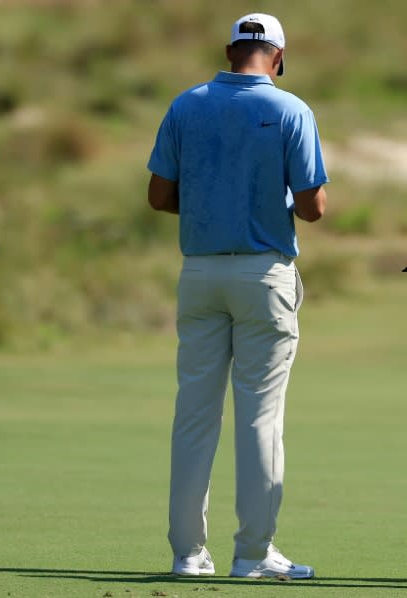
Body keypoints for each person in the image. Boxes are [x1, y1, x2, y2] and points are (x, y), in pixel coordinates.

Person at [146, 13, 328, 579]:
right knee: (260, 418)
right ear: (277, 56)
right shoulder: (290, 109)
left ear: (230, 50)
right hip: (264, 275)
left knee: (194, 414)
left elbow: (158, 195)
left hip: (199, 273)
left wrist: (211, 204)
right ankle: (252, 554)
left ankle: (186, 555)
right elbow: (313, 206)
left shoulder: (186, 104)